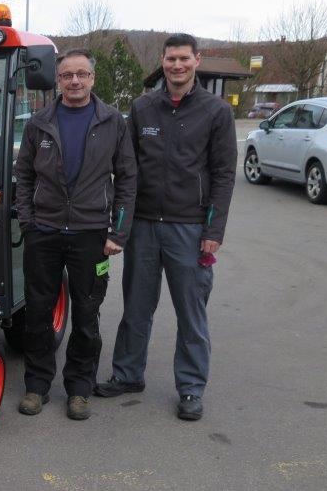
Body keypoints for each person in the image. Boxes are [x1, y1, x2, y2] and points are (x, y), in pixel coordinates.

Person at [95, 34, 237, 421]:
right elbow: (127, 170)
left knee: (191, 314)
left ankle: (191, 388)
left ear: (197, 61)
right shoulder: (143, 108)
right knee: (136, 308)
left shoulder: (216, 112)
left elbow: (224, 176)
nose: (177, 65)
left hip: (189, 229)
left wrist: (213, 232)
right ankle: (127, 374)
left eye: (184, 59)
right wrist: (120, 225)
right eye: (171, 59)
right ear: (162, 61)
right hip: (143, 225)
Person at [14, 49, 137, 420]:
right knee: (37, 313)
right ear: (59, 80)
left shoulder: (112, 121)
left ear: (92, 79)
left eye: (82, 74)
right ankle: (36, 386)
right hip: (45, 234)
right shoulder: (39, 122)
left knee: (86, 314)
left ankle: (79, 389)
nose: (75, 81)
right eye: (67, 75)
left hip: (91, 235)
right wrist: (28, 222)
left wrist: (118, 232)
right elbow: (24, 176)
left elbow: (128, 179)